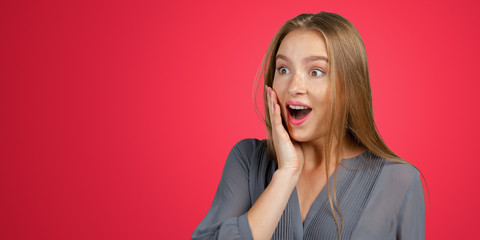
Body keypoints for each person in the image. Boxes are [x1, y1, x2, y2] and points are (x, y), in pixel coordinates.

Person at [192, 11, 425, 240]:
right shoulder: (247, 159)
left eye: (316, 72)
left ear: (350, 88)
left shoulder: (400, 181)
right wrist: (286, 175)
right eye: (283, 69)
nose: (294, 86)